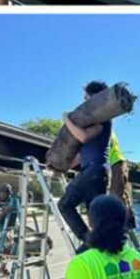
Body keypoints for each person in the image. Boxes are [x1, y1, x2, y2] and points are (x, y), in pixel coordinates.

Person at [55, 81, 114, 245]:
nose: (84, 101)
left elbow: (82, 137)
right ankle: (100, 244)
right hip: (96, 172)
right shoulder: (98, 121)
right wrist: (62, 167)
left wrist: (66, 119)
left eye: (86, 97)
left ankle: (90, 241)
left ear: (95, 97)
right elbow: (81, 156)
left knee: (65, 205)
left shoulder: (102, 119)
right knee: (95, 217)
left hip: (94, 171)